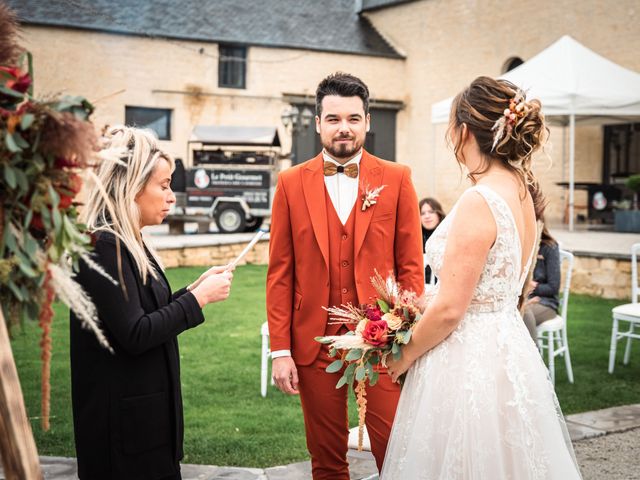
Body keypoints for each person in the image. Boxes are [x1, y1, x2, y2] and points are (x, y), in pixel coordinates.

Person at [383, 77, 582, 479]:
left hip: (465, 359)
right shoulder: (522, 191)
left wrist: (400, 358)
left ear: (464, 130)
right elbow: (502, 287)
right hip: (507, 348)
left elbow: (453, 309)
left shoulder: (480, 199)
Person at [266, 72, 424, 479]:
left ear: (368, 121)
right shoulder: (288, 183)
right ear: (318, 123)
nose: (344, 128)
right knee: (326, 458)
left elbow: (410, 266)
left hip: (382, 339)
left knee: (395, 448)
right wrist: (280, 349)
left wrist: (406, 334)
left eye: (354, 118)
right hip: (312, 342)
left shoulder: (397, 178)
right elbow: (280, 272)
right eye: (333, 118)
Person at [70, 126, 234, 480]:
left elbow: (144, 313)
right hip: (121, 434)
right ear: (131, 186)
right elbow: (135, 332)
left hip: (144, 422)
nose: (172, 197)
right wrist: (197, 299)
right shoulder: (102, 246)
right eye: (164, 185)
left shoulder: (130, 243)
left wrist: (194, 288)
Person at [523, 223, 561, 341]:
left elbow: (553, 287)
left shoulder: (550, 248)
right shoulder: (522, 245)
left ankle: (534, 355)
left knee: (523, 314)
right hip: (523, 300)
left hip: (545, 303)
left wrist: (533, 288)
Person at [419, 197, 446, 283]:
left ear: (439, 214)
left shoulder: (447, 237)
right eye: (422, 213)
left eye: (431, 212)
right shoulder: (415, 240)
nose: (427, 216)